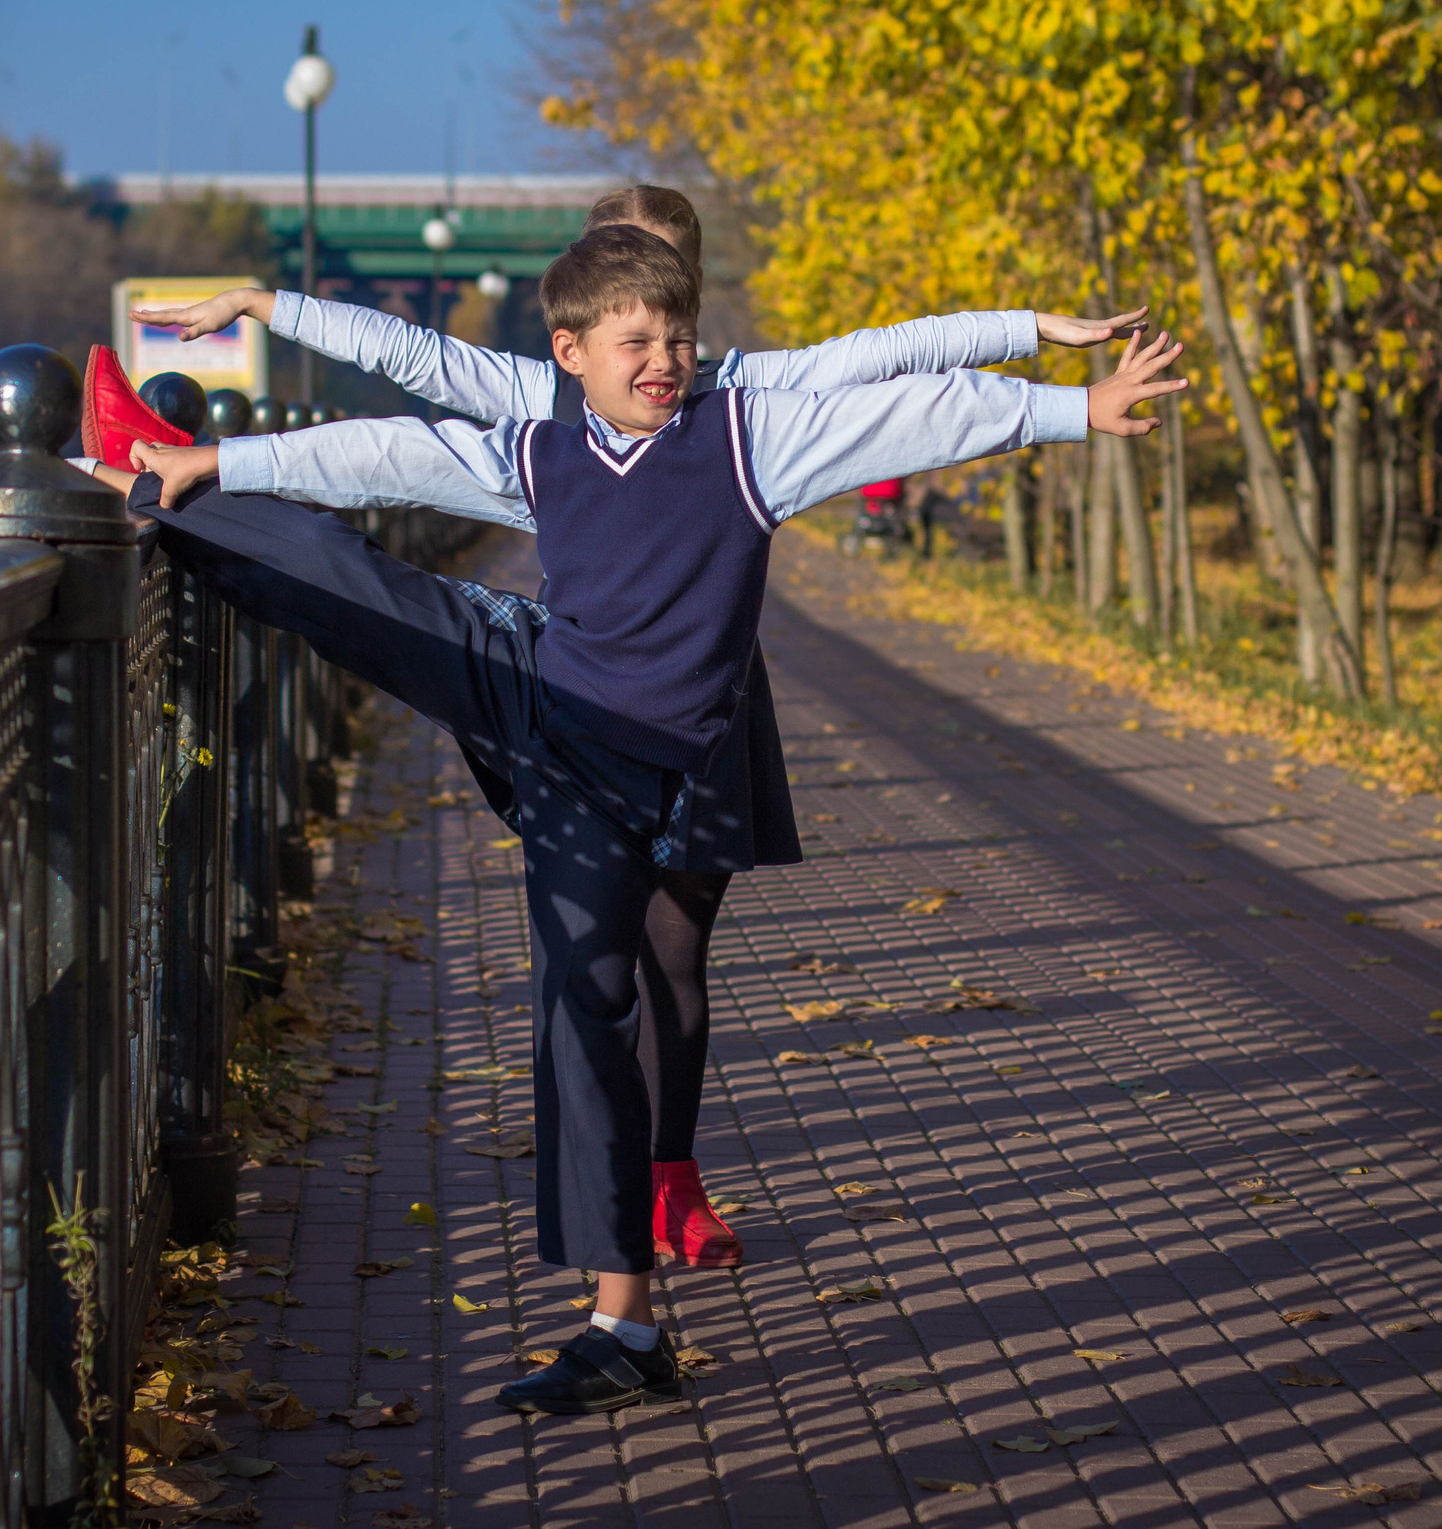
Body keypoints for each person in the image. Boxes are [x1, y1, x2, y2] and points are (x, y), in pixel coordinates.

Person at [92, 225, 1184, 1414]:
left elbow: (912, 408)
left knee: (586, 1008)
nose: (663, 360)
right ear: (572, 352)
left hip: (636, 776)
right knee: (355, 582)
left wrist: (1073, 404)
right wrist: (227, 459)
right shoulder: (539, 445)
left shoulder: (750, 433)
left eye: (678, 338)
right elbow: (389, 448)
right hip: (540, 692)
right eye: (636, 343)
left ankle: (623, 1328)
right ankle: (159, 476)